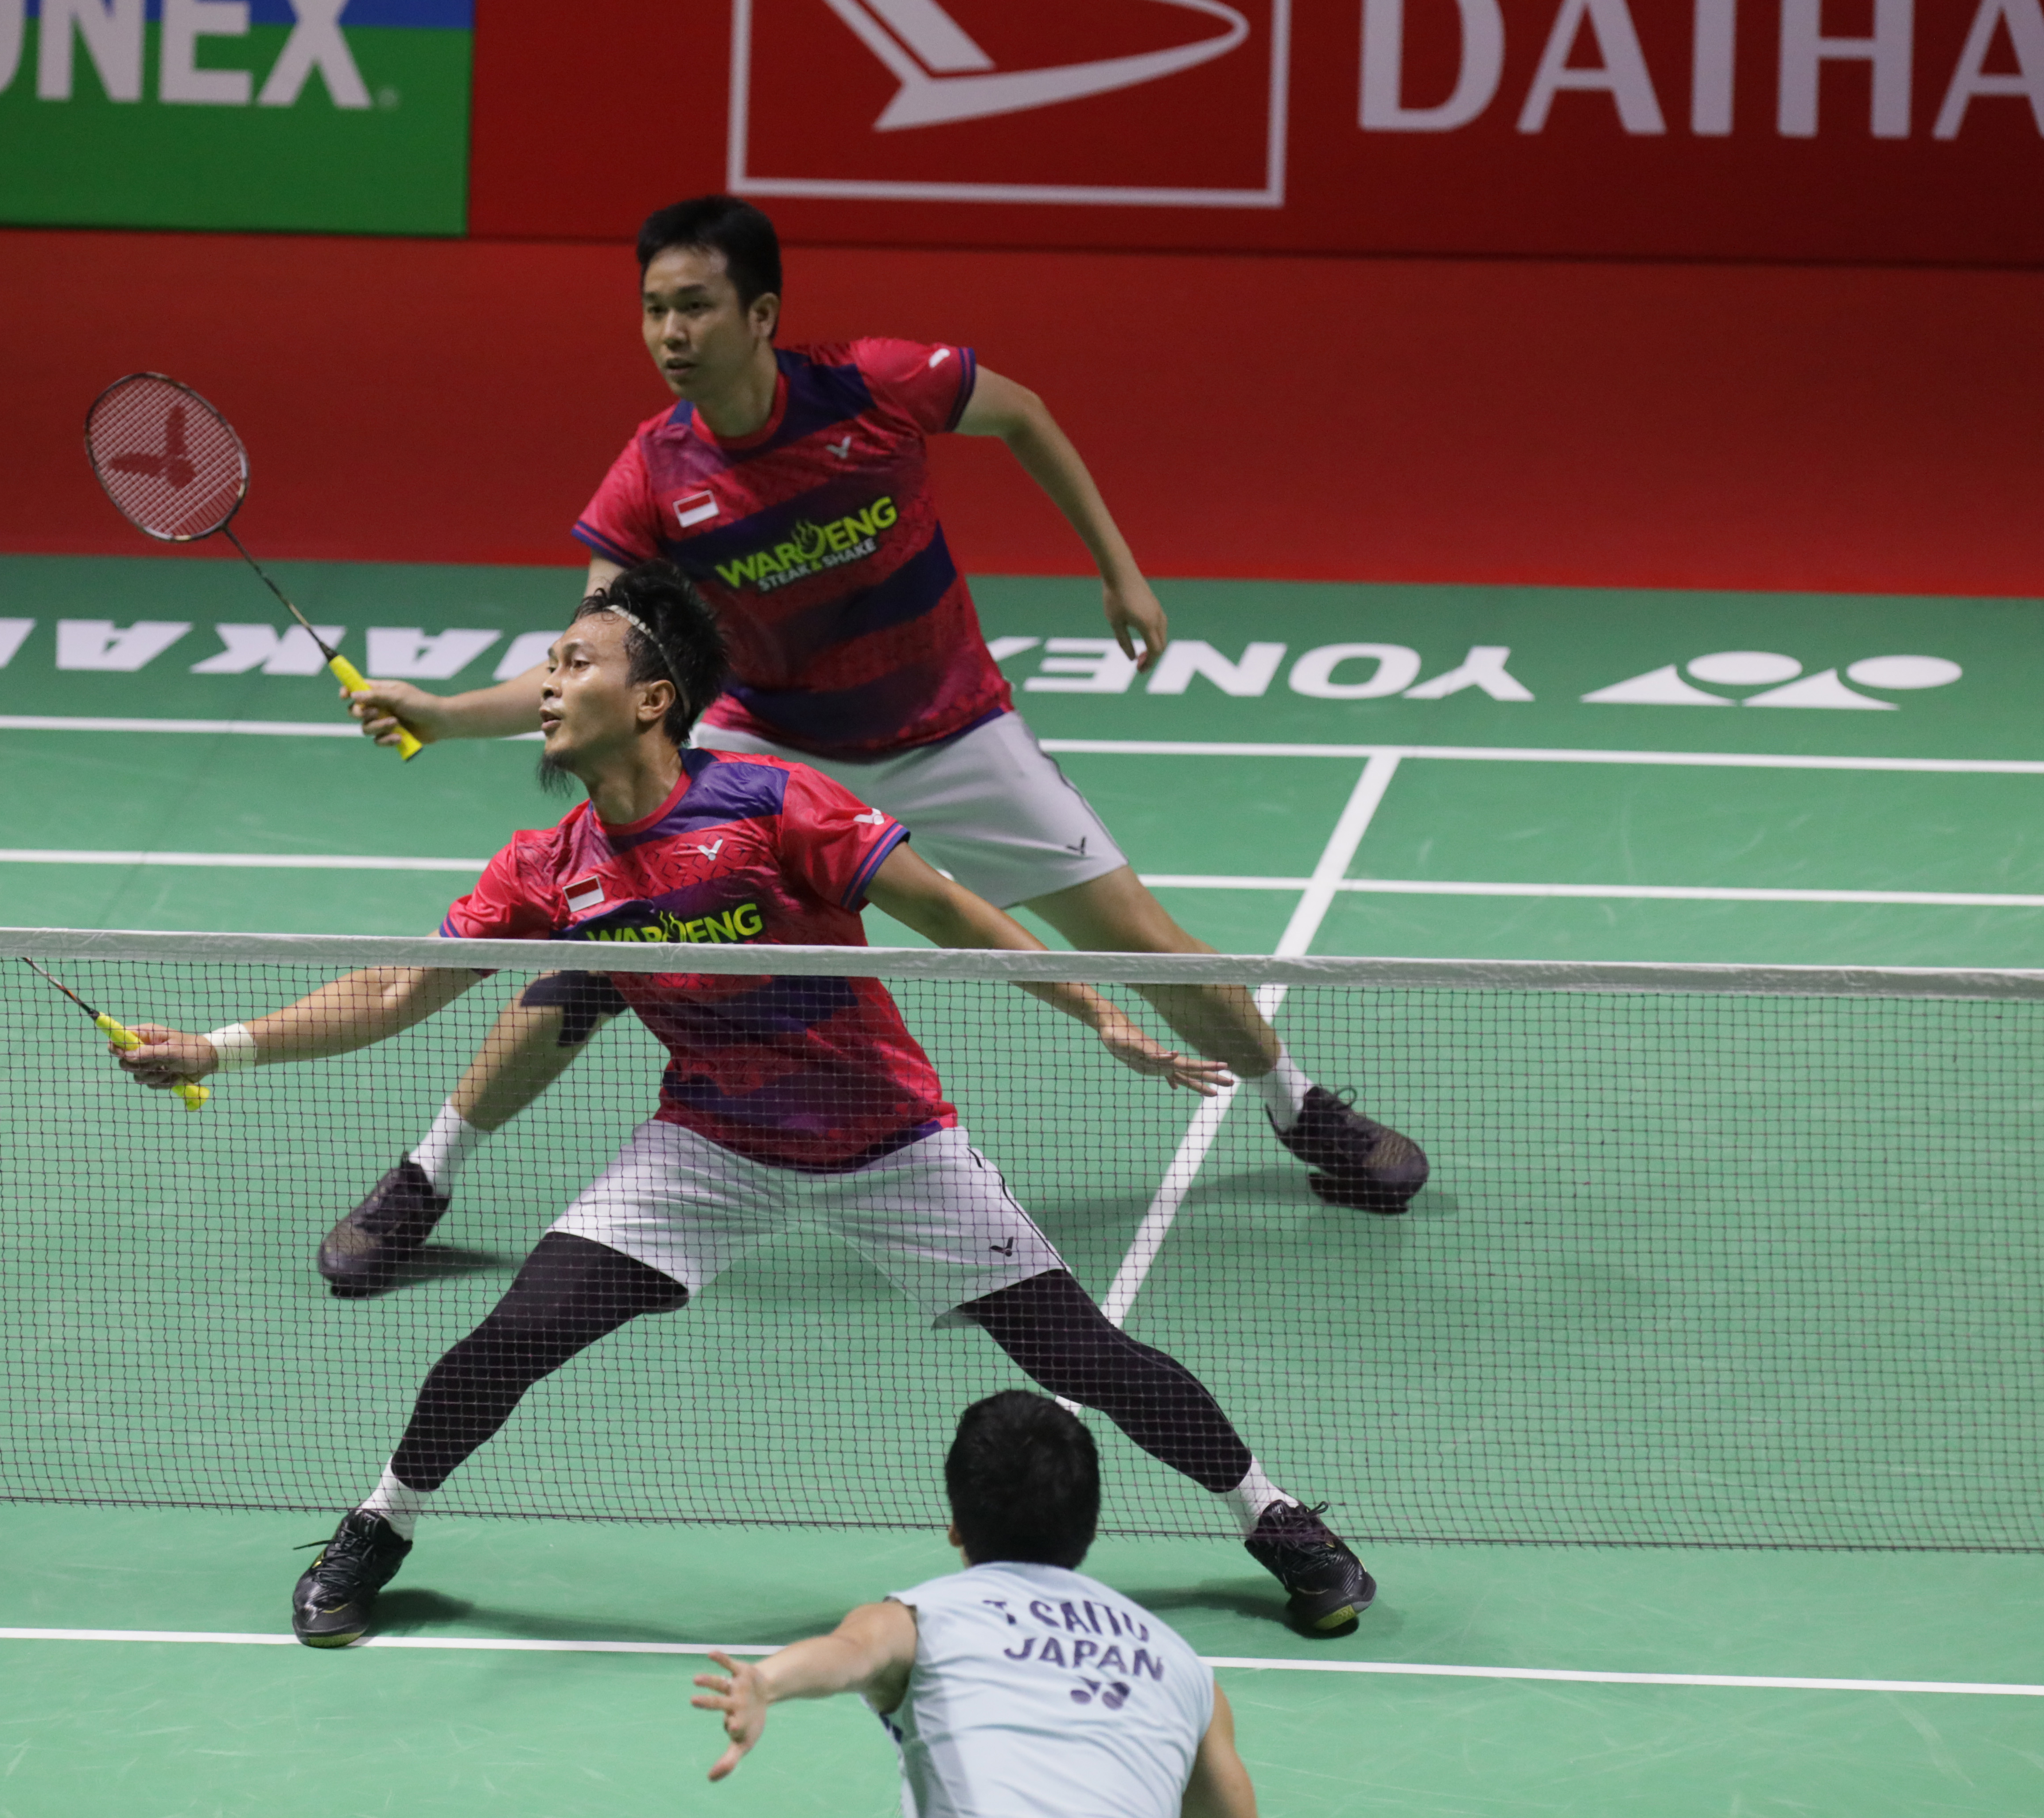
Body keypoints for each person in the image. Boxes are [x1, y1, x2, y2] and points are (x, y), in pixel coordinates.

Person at [119, 564, 1374, 1647]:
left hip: (888, 1141)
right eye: (546, 665)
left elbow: (953, 912)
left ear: (653, 699)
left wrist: (1094, 1010)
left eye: (573, 661)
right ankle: (379, 1525)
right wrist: (217, 1050)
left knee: (1081, 1355)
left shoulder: (774, 806)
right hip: (709, 1142)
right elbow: (399, 988)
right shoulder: (549, 865)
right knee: (511, 1335)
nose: (546, 685)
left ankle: (1274, 1516)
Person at [326, 194, 1423, 1300]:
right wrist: (450, 711)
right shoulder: (653, 474)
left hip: (954, 725)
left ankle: (1298, 1101)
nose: (670, 333)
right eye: (654, 309)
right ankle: (426, 1175)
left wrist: (1117, 565)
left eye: (695, 307)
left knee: (1134, 936)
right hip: (774, 741)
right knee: (590, 964)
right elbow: (587, 664)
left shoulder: (877, 385)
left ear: (760, 314)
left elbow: (1027, 415)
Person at [692, 1391, 1259, 1818]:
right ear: (1088, 1526)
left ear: (957, 1528)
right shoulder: (1184, 1668)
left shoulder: (925, 1616)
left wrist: (767, 1681)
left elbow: (850, 1653)